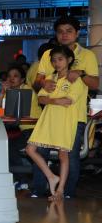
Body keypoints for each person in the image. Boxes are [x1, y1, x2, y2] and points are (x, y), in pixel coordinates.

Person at [32, 16, 99, 198]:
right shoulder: (48, 54)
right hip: (50, 114)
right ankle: (39, 190)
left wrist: (81, 73)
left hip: (73, 115)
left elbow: (95, 84)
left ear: (77, 33)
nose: (64, 35)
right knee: (40, 151)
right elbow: (36, 82)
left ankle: (67, 193)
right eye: (60, 31)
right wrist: (43, 83)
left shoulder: (87, 55)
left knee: (70, 155)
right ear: (56, 34)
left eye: (69, 31)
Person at [26, 46, 86, 201]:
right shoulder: (50, 79)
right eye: (53, 60)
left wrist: (50, 100)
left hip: (65, 120)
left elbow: (67, 101)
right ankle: (51, 176)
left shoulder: (75, 79)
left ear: (69, 60)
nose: (56, 63)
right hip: (47, 119)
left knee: (63, 155)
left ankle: (60, 191)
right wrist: (53, 100)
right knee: (30, 149)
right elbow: (41, 99)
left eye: (60, 59)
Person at [0, 65, 41, 189]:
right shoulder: (10, 92)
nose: (11, 79)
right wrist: (2, 93)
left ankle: (22, 180)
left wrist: (7, 93)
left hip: (35, 130)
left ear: (22, 80)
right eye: (9, 76)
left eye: (15, 76)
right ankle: (19, 179)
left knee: (9, 147)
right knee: (6, 145)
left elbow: (14, 112)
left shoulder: (27, 90)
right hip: (25, 130)